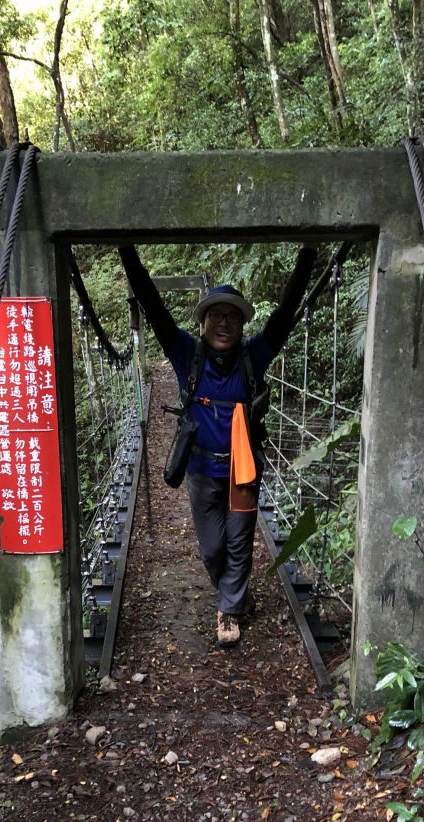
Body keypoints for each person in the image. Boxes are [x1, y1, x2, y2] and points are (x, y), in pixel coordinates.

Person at [119, 244, 318, 648]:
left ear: (242, 325)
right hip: (200, 470)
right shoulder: (185, 354)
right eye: (216, 315)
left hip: (242, 471)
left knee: (240, 540)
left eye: (232, 316)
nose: (224, 323)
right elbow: (155, 308)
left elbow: (284, 315)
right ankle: (229, 589)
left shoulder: (254, 355)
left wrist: (309, 255)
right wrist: (127, 252)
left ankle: (229, 609)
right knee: (213, 547)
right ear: (204, 321)